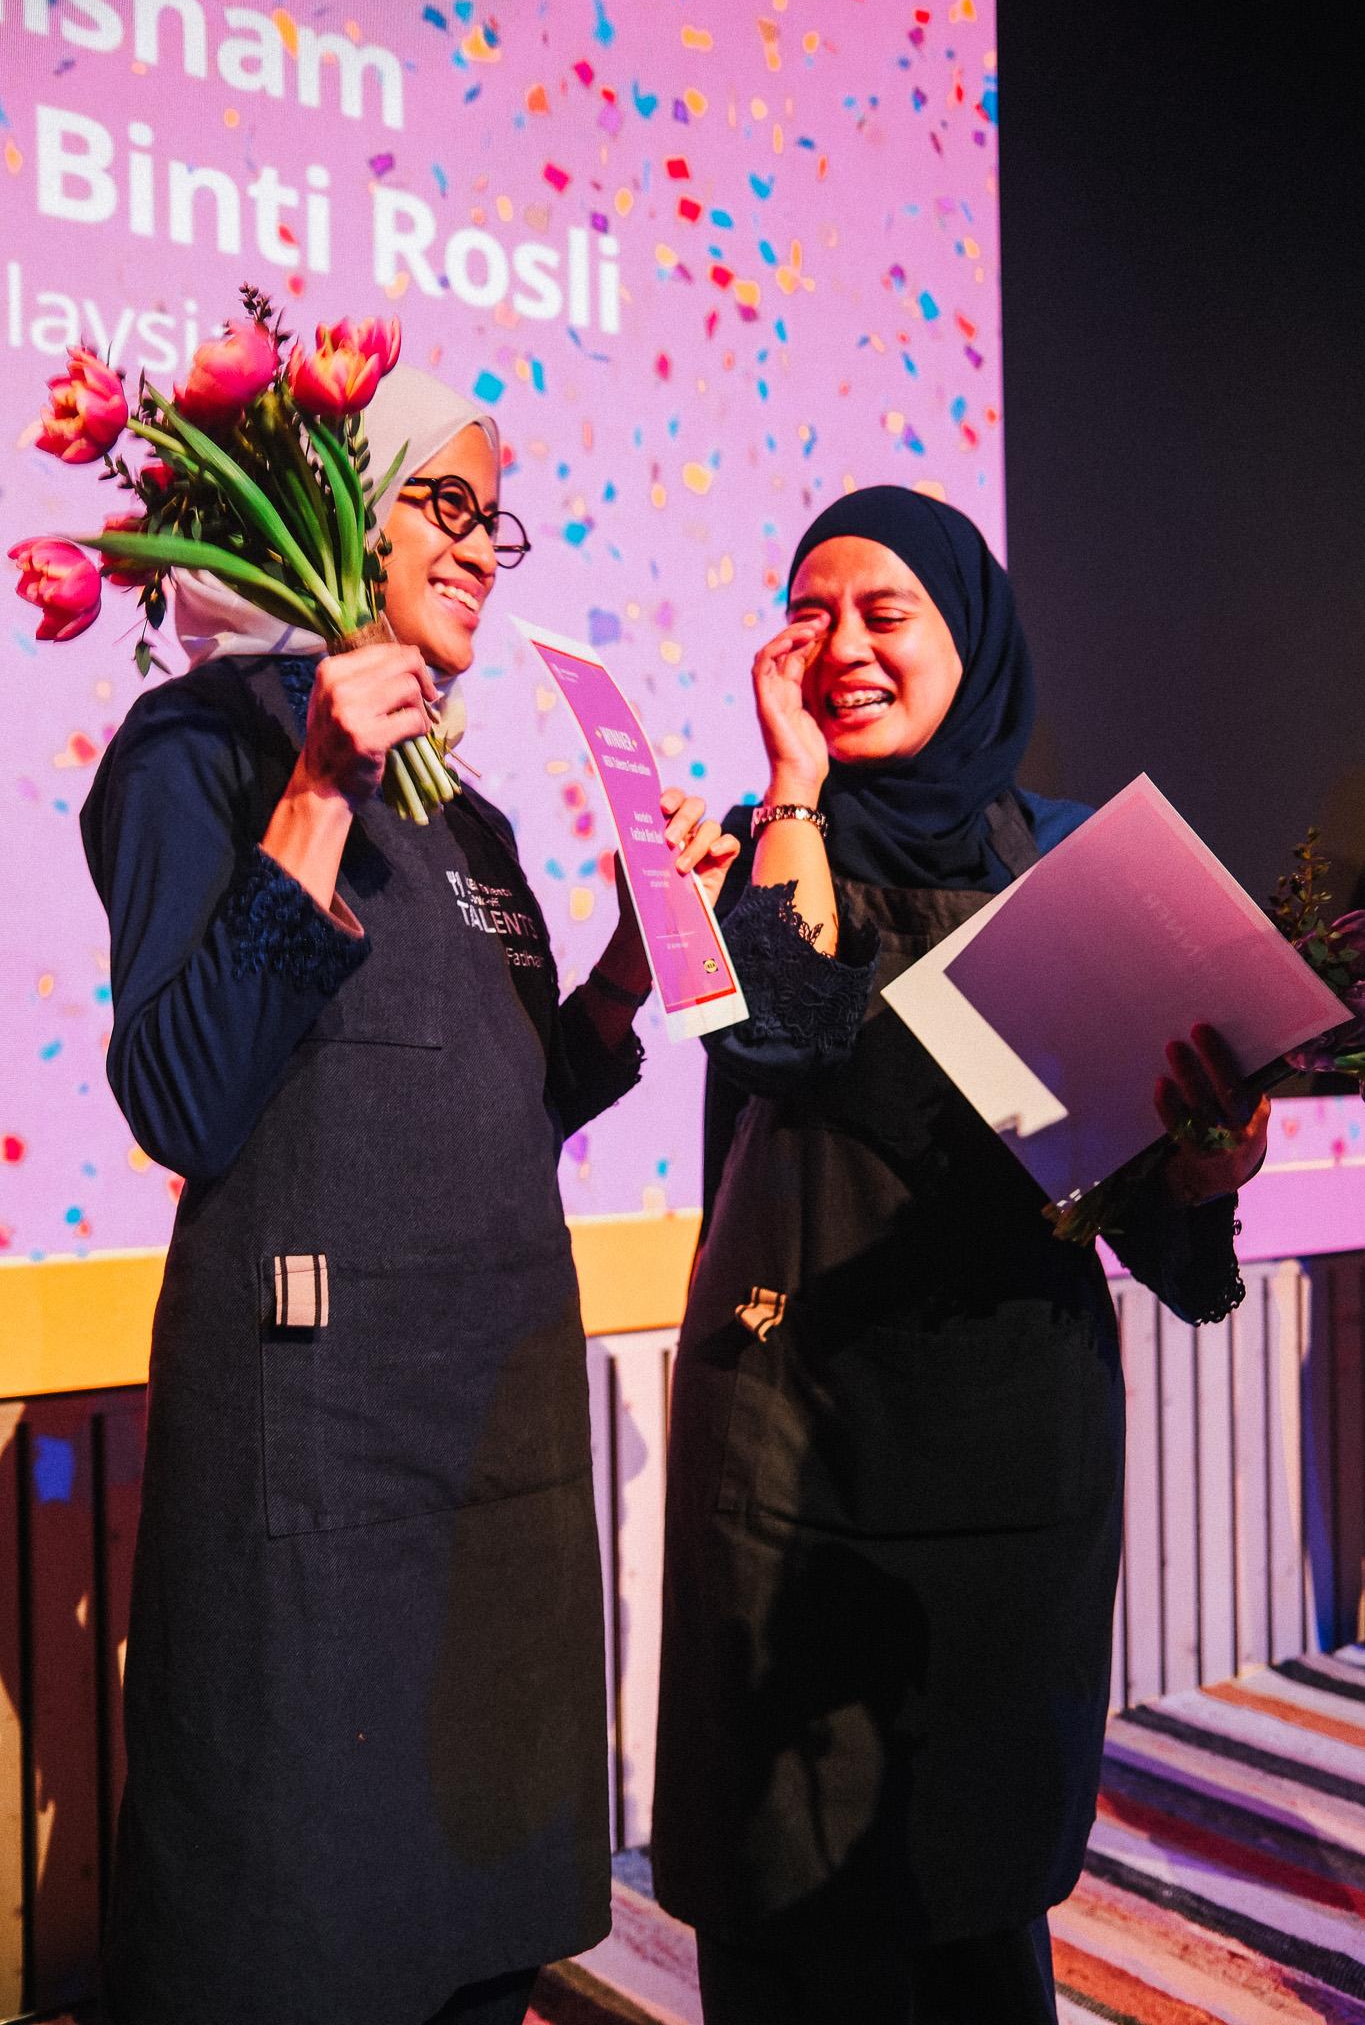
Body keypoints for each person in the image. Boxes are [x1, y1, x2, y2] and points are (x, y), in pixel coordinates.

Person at [80, 366, 739, 2025]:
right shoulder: (198, 749)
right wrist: (315, 789)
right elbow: (180, 1096)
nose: (475, 547)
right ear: (333, 504)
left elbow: (508, 1103)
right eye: (439, 501)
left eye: (491, 517)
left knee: (476, 1931)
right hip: (313, 1461)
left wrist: (629, 962)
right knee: (295, 1936)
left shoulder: (479, 819)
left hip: (496, 1461)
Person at [650, 487, 1268, 2025]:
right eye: (809, 613)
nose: (842, 646)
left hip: (1006, 1461)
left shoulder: (1068, 867)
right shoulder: (742, 850)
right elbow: (783, 1038)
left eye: (885, 613)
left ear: (970, 636)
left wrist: (1209, 1165)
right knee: (788, 1895)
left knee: (971, 1894)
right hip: (786, 1453)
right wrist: (792, 788)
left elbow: (1162, 1236)